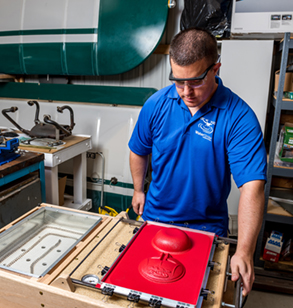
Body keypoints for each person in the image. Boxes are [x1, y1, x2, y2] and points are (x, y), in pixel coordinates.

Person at [128, 27, 266, 296]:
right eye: (178, 82)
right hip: (156, 219)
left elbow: (252, 187)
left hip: (207, 227)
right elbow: (138, 148)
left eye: (195, 81)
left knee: (196, 297)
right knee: (140, 292)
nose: (185, 92)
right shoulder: (156, 105)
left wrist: (245, 251)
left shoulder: (238, 117)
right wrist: (137, 189)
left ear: (216, 68)